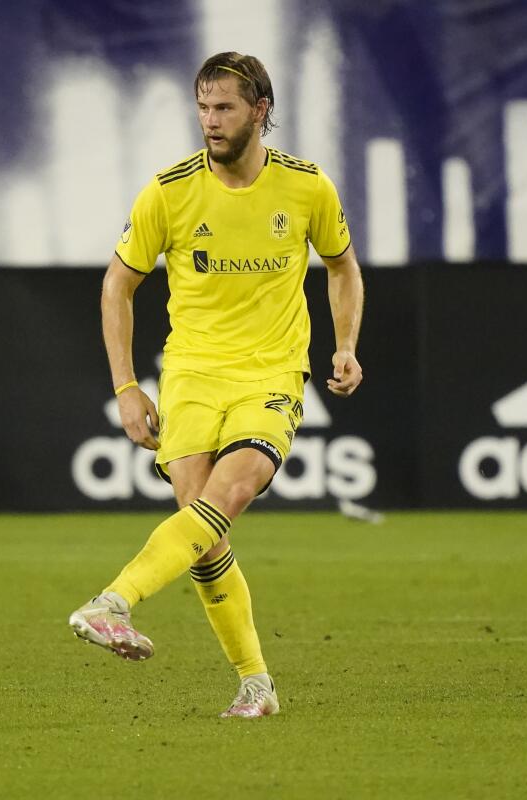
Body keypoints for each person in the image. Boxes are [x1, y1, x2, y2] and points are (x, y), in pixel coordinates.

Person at [68, 51, 364, 719]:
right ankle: (256, 684)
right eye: (203, 108)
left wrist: (344, 345)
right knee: (204, 535)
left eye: (224, 108)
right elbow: (118, 284)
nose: (210, 121)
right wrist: (125, 387)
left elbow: (342, 267)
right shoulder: (169, 191)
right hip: (192, 377)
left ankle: (113, 601)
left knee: (226, 497)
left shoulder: (307, 187)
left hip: (271, 374)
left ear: (260, 111)